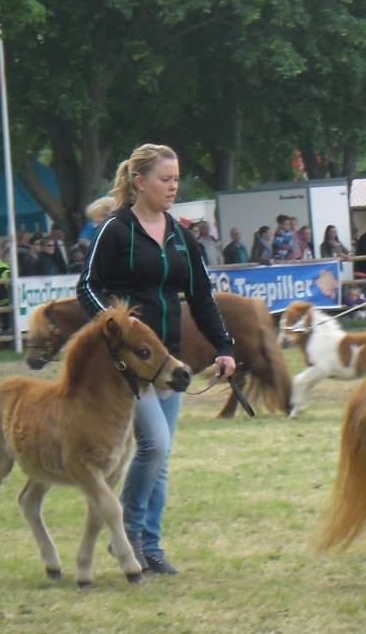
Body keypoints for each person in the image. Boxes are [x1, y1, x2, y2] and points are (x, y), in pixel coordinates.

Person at [78, 143, 236, 575]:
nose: (173, 186)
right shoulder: (114, 230)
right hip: (128, 366)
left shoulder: (183, 237)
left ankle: (150, 546)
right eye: (165, 179)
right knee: (156, 445)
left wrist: (224, 347)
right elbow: (87, 287)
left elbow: (202, 296)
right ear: (139, 182)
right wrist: (112, 326)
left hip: (170, 362)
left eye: (176, 179)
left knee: (160, 456)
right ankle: (126, 535)